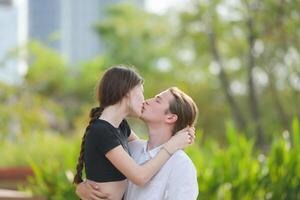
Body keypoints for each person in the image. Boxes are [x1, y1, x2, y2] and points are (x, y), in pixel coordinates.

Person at [73, 66, 195, 200]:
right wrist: (81, 187)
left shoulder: (180, 164)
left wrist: (178, 141)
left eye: (157, 100)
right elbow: (137, 176)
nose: (145, 100)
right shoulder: (133, 149)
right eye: (141, 92)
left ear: (171, 117)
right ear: (126, 92)